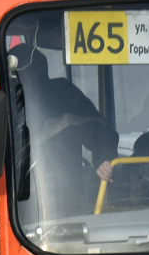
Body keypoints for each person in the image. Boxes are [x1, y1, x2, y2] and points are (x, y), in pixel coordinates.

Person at [9, 43, 118, 211]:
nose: (29, 75)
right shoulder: (2, 98)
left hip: (67, 194)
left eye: (34, 68)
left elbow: (99, 128)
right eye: (20, 69)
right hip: (12, 195)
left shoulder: (62, 93)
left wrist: (103, 158)